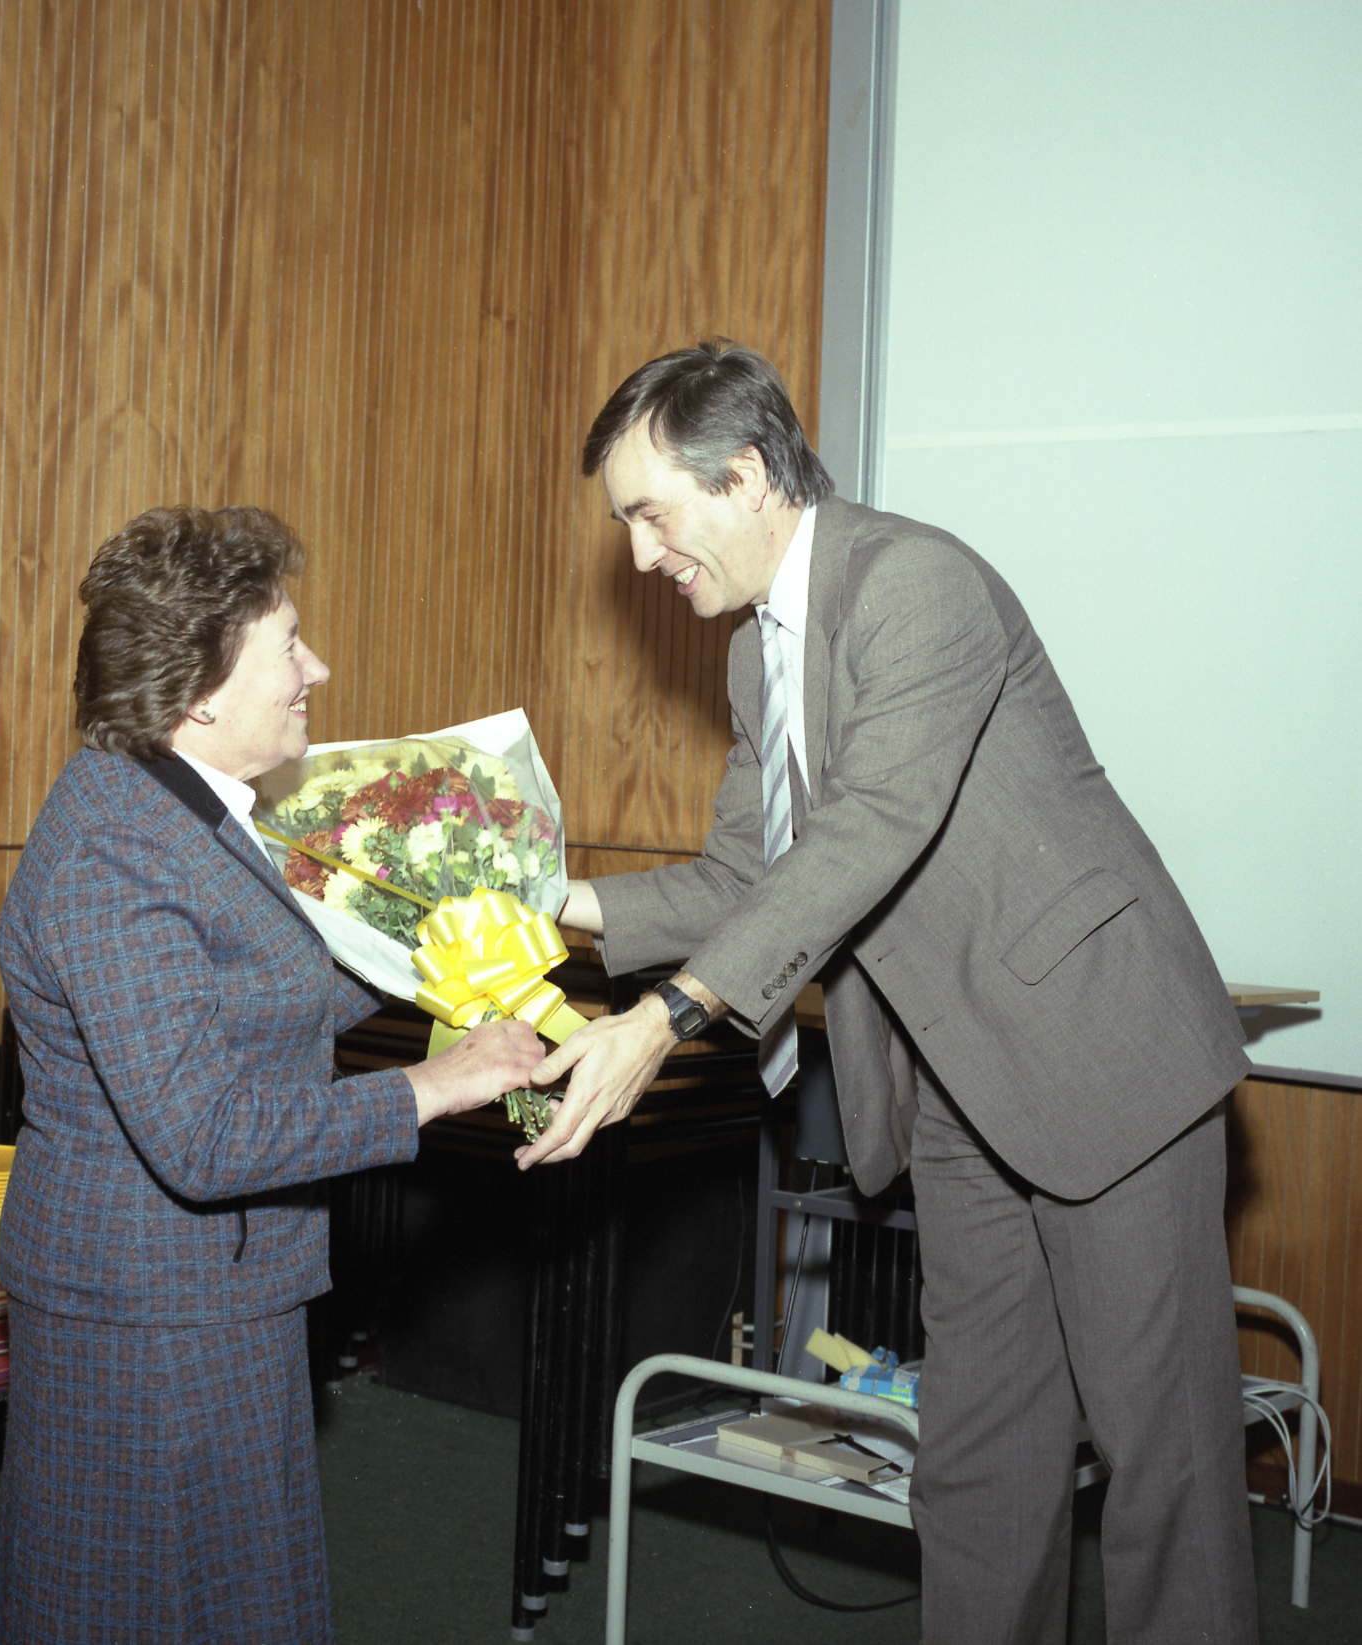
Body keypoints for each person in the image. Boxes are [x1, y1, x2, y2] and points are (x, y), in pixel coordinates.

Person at [526, 342, 1257, 1644]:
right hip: (959, 1089)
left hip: (1107, 1062)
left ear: (747, 477)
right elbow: (747, 876)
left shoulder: (916, 582)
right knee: (979, 1458)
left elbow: (868, 831)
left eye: (652, 513)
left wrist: (668, 1017)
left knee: (1167, 1466)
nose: (640, 556)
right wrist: (545, 900)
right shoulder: (755, 655)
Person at [0, 505, 542, 1645]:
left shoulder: (182, 808)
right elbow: (204, 1136)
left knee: (230, 1601)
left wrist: (445, 949)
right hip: (146, 1318)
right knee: (143, 1611)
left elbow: (263, 1002)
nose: (316, 669)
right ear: (199, 692)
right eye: (288, 645)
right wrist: (441, 1085)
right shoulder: (112, 852)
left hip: (209, 1293)